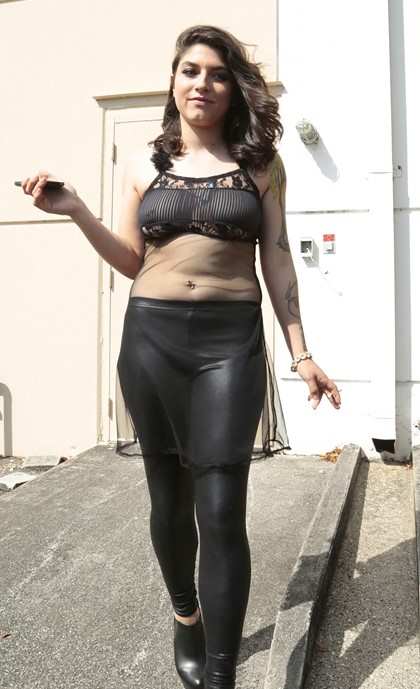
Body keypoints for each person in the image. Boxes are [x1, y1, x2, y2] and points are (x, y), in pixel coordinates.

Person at [19, 24, 341, 689]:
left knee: (220, 507)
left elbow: (278, 260)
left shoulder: (262, 165)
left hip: (229, 344)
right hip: (152, 342)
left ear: (234, 88)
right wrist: (76, 210)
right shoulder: (146, 165)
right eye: (191, 70)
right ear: (173, 80)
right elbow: (130, 259)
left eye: (217, 73)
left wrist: (301, 351)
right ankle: (185, 613)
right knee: (168, 499)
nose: (203, 83)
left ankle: (220, 672)